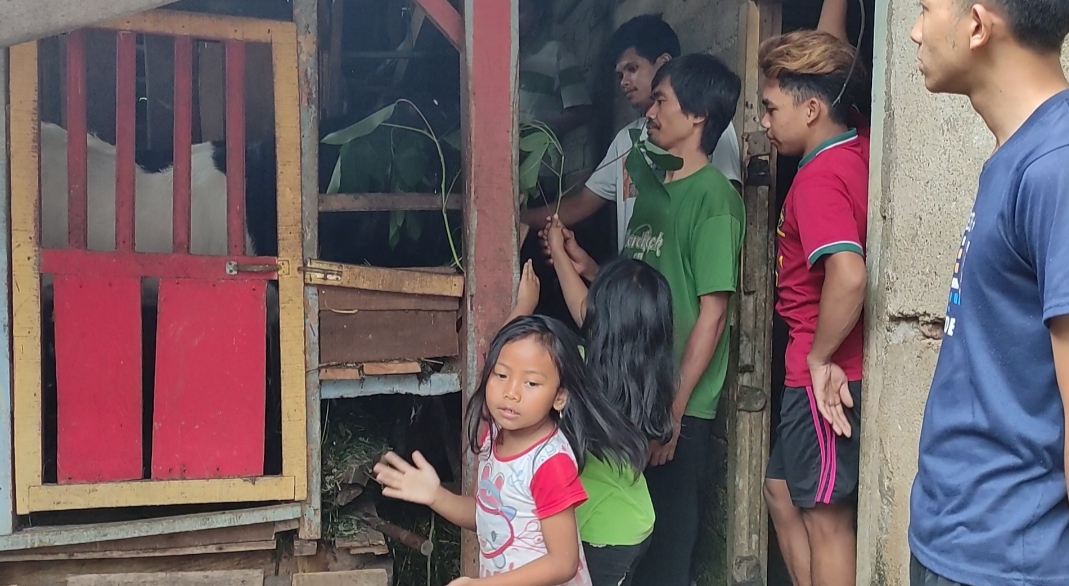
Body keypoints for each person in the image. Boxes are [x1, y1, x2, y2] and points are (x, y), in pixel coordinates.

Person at [544, 52, 742, 586]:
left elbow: (713, 314)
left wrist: (674, 414)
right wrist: (583, 263)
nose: (650, 111)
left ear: (697, 116)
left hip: (673, 400)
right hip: (632, 385)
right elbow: (639, 284)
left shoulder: (715, 200)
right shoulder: (657, 190)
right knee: (627, 532)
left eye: (662, 100)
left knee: (667, 544)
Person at [907, 1, 1069, 585]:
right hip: (957, 534)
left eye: (925, 9)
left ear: (976, 25)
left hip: (1007, 562)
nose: (914, 30)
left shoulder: (1057, 165)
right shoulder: (1018, 152)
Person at [374, 314, 646, 586]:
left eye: (531, 383)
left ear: (560, 396)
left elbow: (563, 563)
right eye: (501, 375)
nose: (511, 392)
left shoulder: (549, 463)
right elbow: (493, 518)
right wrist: (436, 495)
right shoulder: (495, 435)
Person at [758, 1, 871, 582]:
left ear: (810, 107)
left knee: (826, 520)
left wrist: (822, 356)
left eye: (771, 109)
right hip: (812, 365)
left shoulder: (819, 179)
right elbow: (835, 61)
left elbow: (848, 275)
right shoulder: (851, 141)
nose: (764, 122)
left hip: (824, 377)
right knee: (781, 488)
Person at [514, 248, 676, 586]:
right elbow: (590, 315)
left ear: (599, 316)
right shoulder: (655, 378)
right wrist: (558, 253)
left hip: (598, 533)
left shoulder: (576, 370)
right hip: (633, 521)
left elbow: (507, 369)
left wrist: (522, 310)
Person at [520, 14, 742, 244]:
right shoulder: (626, 139)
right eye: (620, 74)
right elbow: (581, 203)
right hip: (633, 274)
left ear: (664, 62)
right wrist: (520, 219)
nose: (624, 81)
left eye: (632, 68)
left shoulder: (703, 123)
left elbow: (726, 203)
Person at [518, 0, 593, 140]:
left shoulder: (556, 53)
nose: (513, 19)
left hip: (538, 158)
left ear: (538, 13)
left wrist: (539, 131)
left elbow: (582, 110)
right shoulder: (496, 59)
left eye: (519, 10)